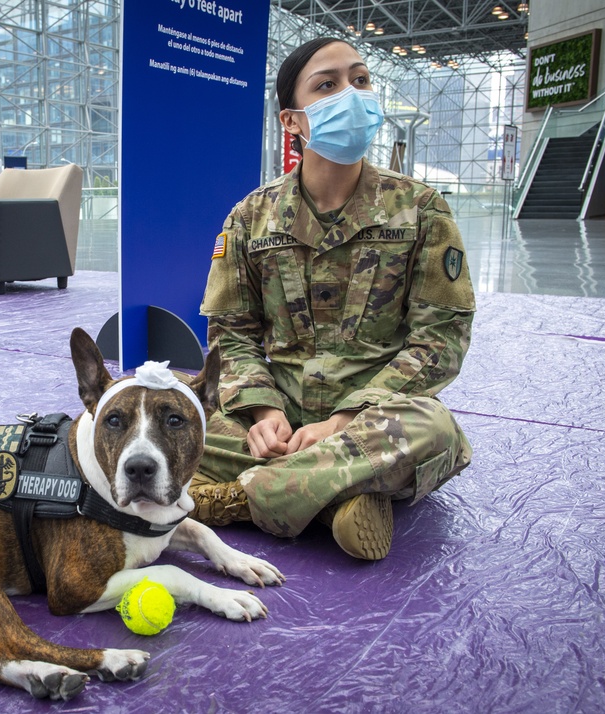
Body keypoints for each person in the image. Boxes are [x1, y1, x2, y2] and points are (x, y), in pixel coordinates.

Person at [187, 37, 475, 561]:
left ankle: (238, 498)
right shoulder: (251, 218)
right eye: (328, 84)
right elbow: (232, 335)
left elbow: (441, 339)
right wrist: (262, 412)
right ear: (292, 121)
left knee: (433, 429)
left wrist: (343, 422)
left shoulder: (421, 209)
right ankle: (336, 498)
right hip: (282, 415)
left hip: (375, 416)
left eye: (360, 80)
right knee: (165, 409)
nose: (353, 93)